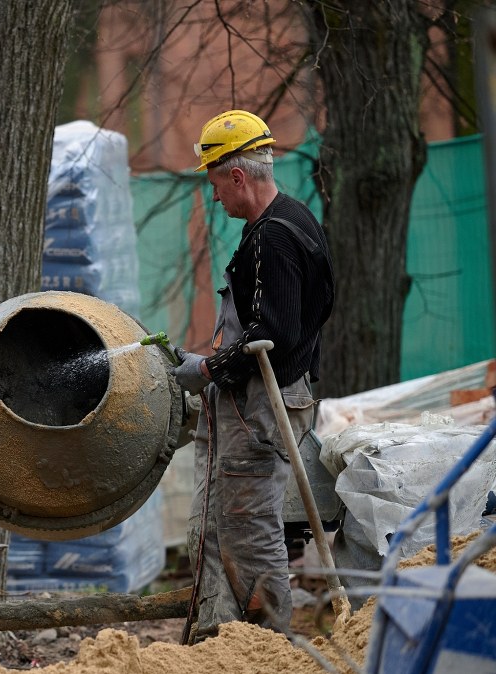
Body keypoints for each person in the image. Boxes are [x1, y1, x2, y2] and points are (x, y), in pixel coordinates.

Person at [175, 110, 335, 643]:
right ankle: (227, 639)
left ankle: (267, 645)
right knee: (232, 523)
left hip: (262, 398)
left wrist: (209, 368)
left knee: (248, 529)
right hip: (264, 392)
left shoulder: (274, 239)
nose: (215, 196)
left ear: (237, 176)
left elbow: (275, 334)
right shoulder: (292, 220)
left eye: (216, 182)